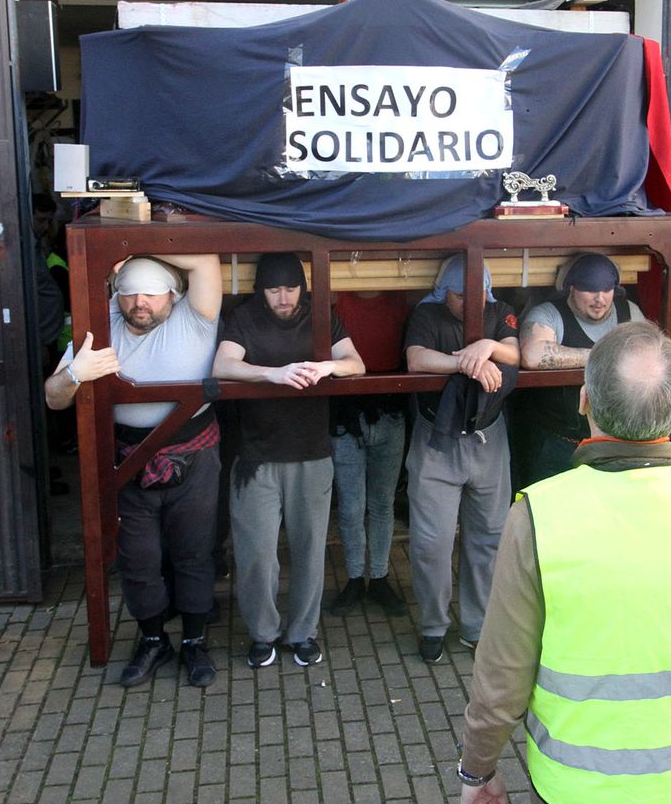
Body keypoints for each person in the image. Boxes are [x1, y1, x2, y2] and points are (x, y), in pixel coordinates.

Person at [457, 322, 671, 804]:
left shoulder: (540, 515)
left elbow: (502, 680)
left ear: (584, 401)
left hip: (582, 801)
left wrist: (477, 770)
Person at [44, 254, 223, 688]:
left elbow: (206, 261)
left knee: (194, 552)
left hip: (193, 453)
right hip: (126, 459)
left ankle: (195, 642)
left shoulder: (196, 317)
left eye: (149, 293)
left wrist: (133, 245)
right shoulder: (98, 325)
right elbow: (53, 397)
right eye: (128, 293)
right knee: (138, 559)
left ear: (172, 294)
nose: (138, 302)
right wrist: (74, 373)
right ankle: (153, 639)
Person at [213, 253, 365, 668]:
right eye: (274, 289)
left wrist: (327, 366)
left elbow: (357, 364)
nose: (283, 298)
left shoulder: (321, 316)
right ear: (260, 289)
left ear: (303, 287)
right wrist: (272, 373)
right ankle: (263, 634)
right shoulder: (245, 317)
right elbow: (222, 364)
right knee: (257, 554)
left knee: (310, 549)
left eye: (291, 288)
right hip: (256, 458)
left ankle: (302, 633)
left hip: (312, 453)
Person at [404, 254, 519, 664]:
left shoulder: (500, 311)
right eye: (460, 295)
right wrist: (467, 363)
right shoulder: (427, 314)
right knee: (431, 543)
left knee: (487, 538)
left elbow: (516, 352)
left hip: (489, 437)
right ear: (444, 291)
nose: (473, 303)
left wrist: (487, 346)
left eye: (481, 293)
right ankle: (434, 624)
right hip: (436, 440)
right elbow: (416, 359)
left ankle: (477, 627)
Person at [514, 253, 649, 484]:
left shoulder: (628, 312)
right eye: (590, 290)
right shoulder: (548, 313)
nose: (600, 299)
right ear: (571, 288)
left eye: (607, 290)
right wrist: (602, 356)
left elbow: (650, 355)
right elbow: (532, 355)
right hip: (555, 443)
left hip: (612, 442)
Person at [325, 288, 411, 618]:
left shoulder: (400, 297)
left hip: (390, 411)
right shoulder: (337, 297)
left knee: (381, 502)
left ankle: (378, 577)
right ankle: (354, 578)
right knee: (351, 504)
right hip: (347, 415)